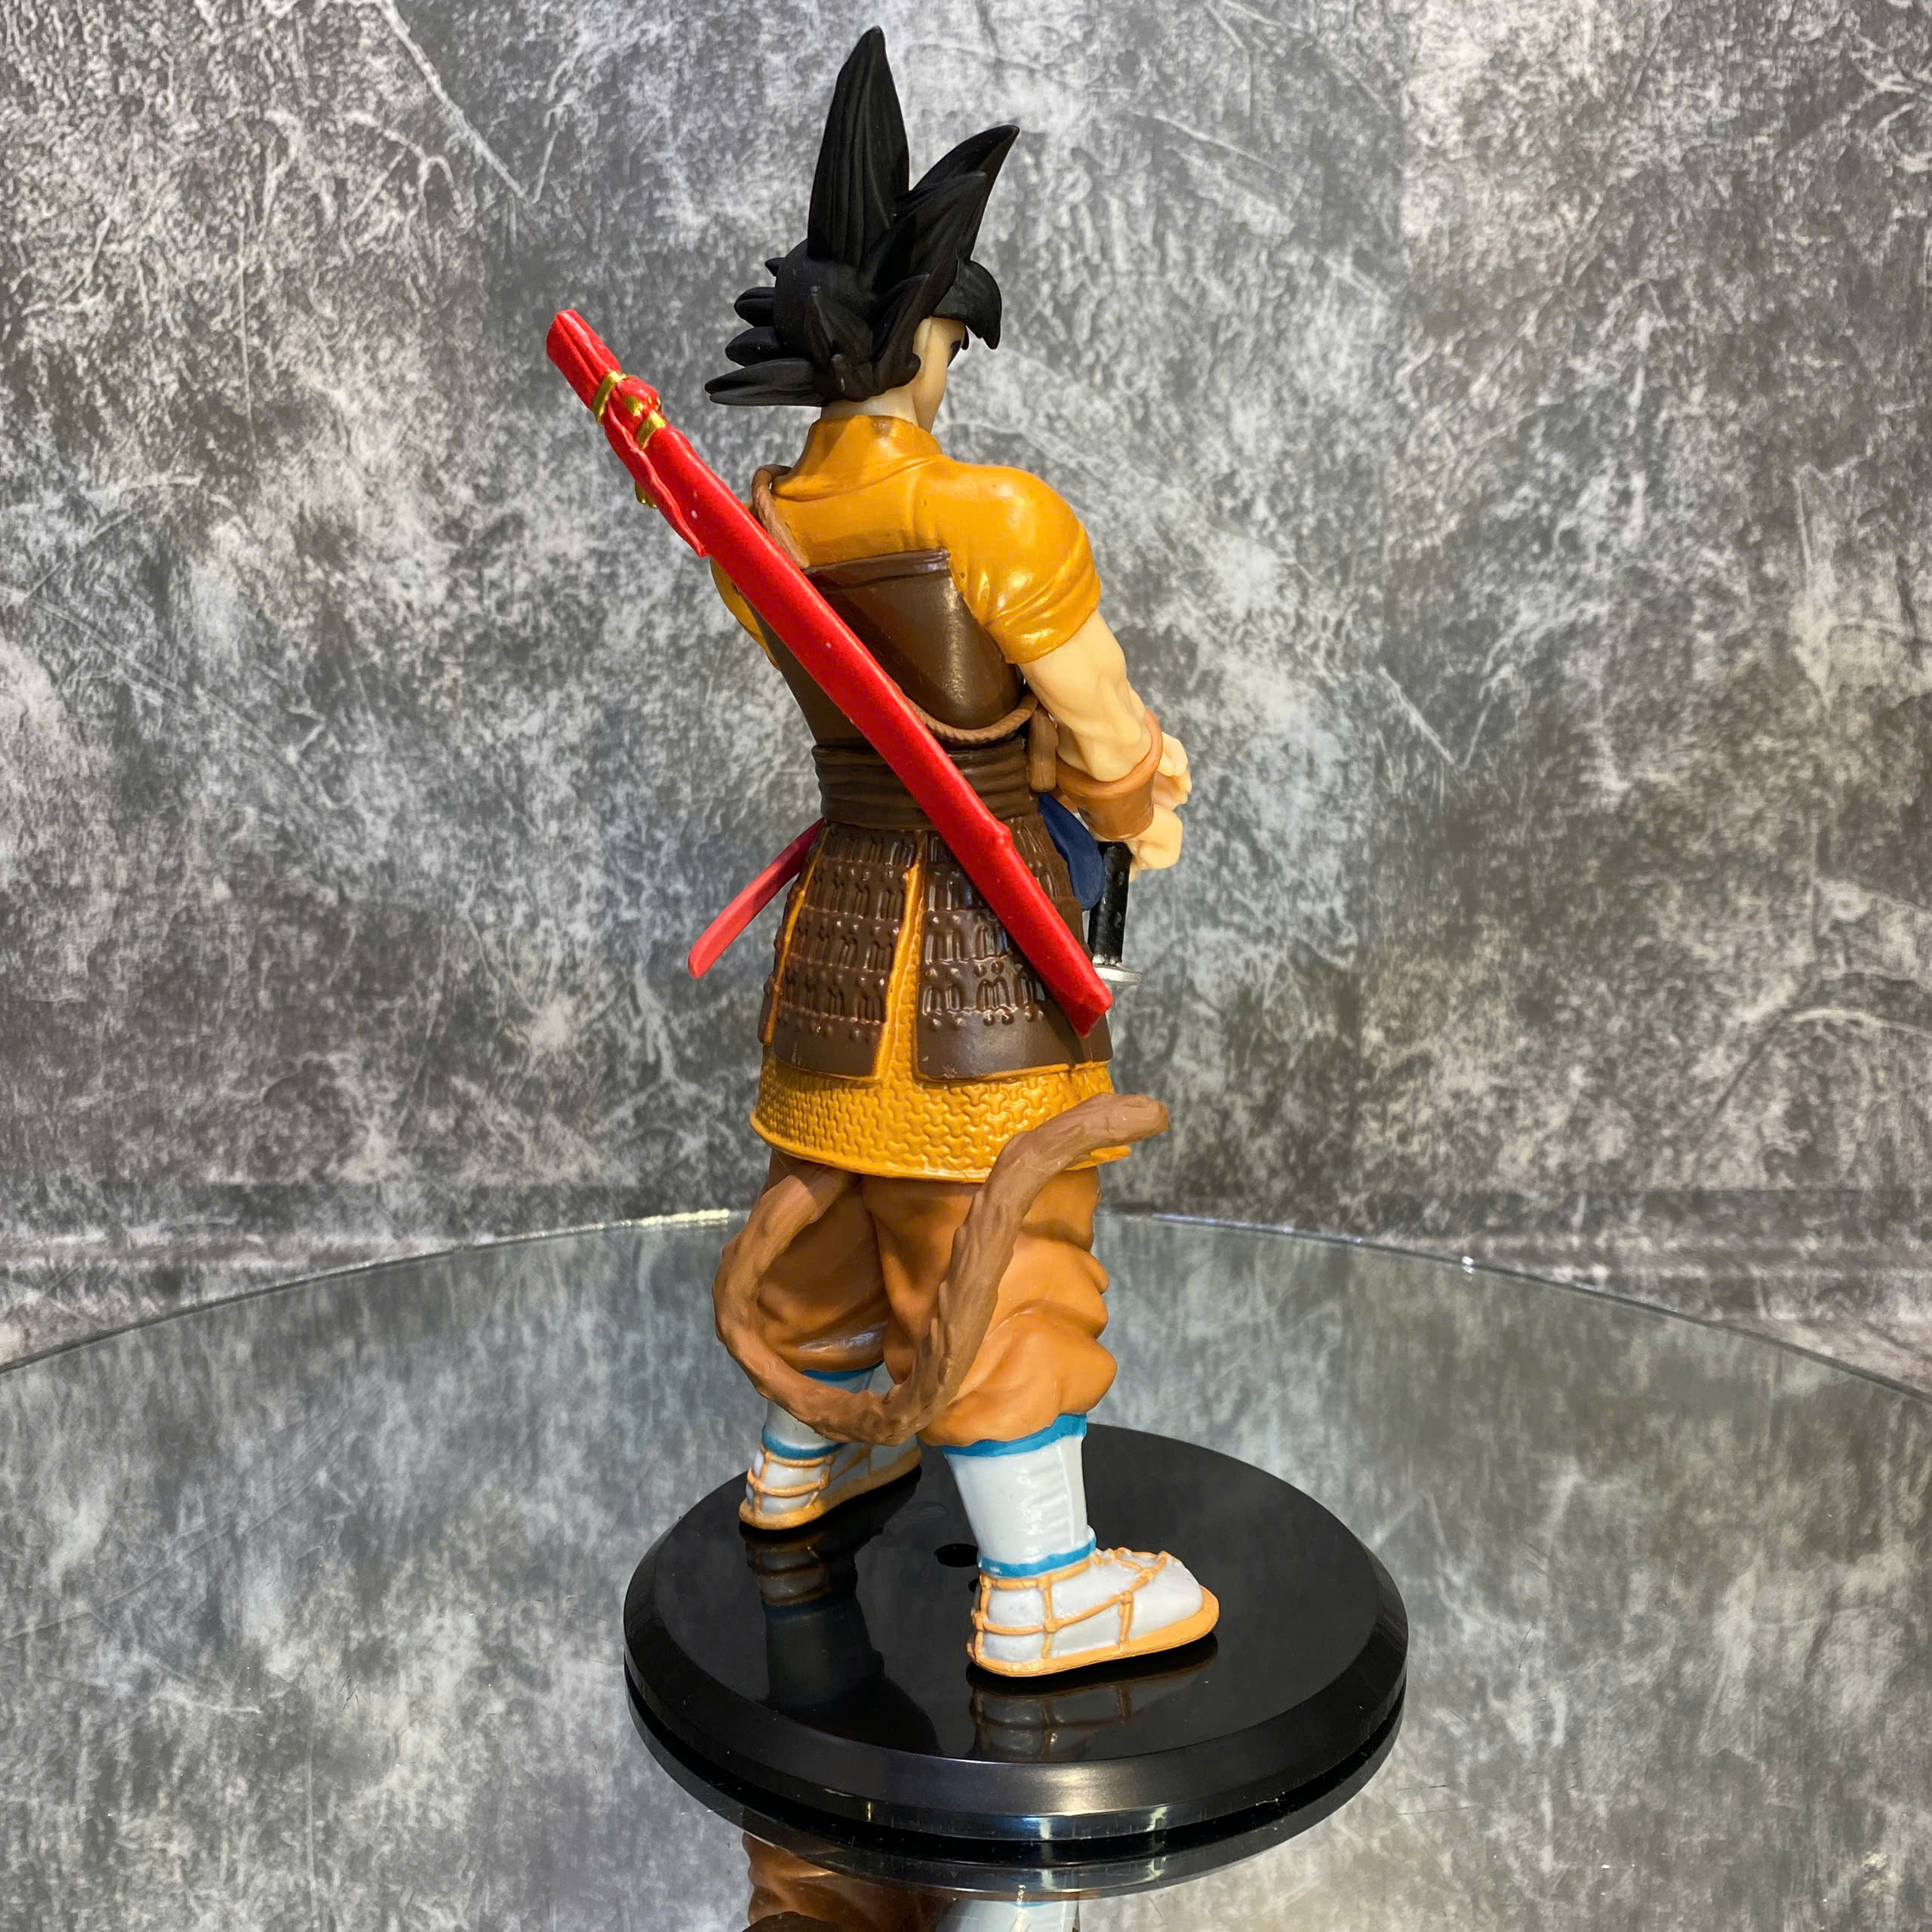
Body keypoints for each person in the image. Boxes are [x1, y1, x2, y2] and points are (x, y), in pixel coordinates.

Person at [703, 29, 1211, 1678]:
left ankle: (797, 1467)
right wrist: (1126, 794)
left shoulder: (765, 522)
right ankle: (1041, 1585)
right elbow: (1109, 741)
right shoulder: (992, 518)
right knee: (1005, 1238)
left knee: (837, 1206)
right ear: (925, 339)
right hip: (980, 945)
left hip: (836, 944)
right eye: (948, 335)